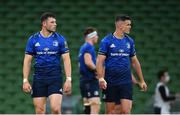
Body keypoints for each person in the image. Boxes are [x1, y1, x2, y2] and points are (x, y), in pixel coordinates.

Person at [96, 14, 147, 114]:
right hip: (110, 82)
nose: (130, 27)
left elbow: (135, 62)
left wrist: (142, 80)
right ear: (120, 26)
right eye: (128, 25)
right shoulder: (106, 41)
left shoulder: (130, 41)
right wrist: (101, 78)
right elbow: (99, 61)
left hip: (125, 81)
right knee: (110, 112)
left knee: (126, 111)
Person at [22, 12, 72, 114]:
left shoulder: (60, 39)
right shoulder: (33, 39)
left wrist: (68, 79)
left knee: (55, 109)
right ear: (44, 23)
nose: (55, 24)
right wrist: (25, 80)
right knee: (40, 111)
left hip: (55, 77)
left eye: (55, 22)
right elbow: (27, 61)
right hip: (39, 78)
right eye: (52, 22)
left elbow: (66, 59)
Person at [78, 27, 100, 114]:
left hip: (84, 80)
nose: (97, 37)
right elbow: (88, 62)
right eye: (96, 35)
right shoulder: (89, 47)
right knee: (95, 106)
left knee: (87, 109)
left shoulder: (82, 47)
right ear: (92, 36)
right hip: (90, 80)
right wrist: (98, 71)